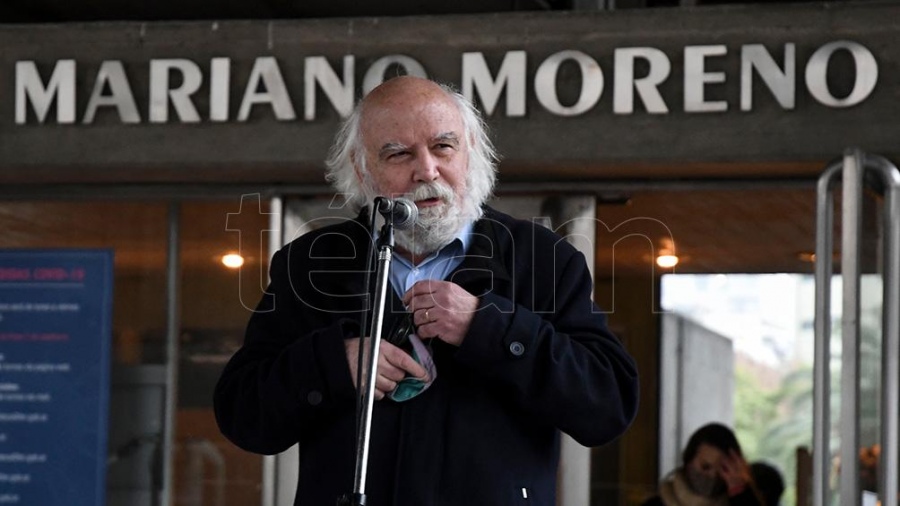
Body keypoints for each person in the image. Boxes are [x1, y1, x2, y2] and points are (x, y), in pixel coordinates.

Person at [213, 75, 639, 505]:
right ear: (363, 170)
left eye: (443, 146)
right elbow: (244, 416)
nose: (427, 170)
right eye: (398, 153)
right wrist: (333, 365)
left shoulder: (544, 258)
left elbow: (606, 407)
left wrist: (489, 327)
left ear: (470, 153)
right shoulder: (310, 264)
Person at [643, 423, 763, 506]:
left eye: (723, 469)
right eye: (705, 467)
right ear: (689, 461)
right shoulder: (657, 504)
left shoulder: (739, 501)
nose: (712, 475)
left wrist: (741, 493)